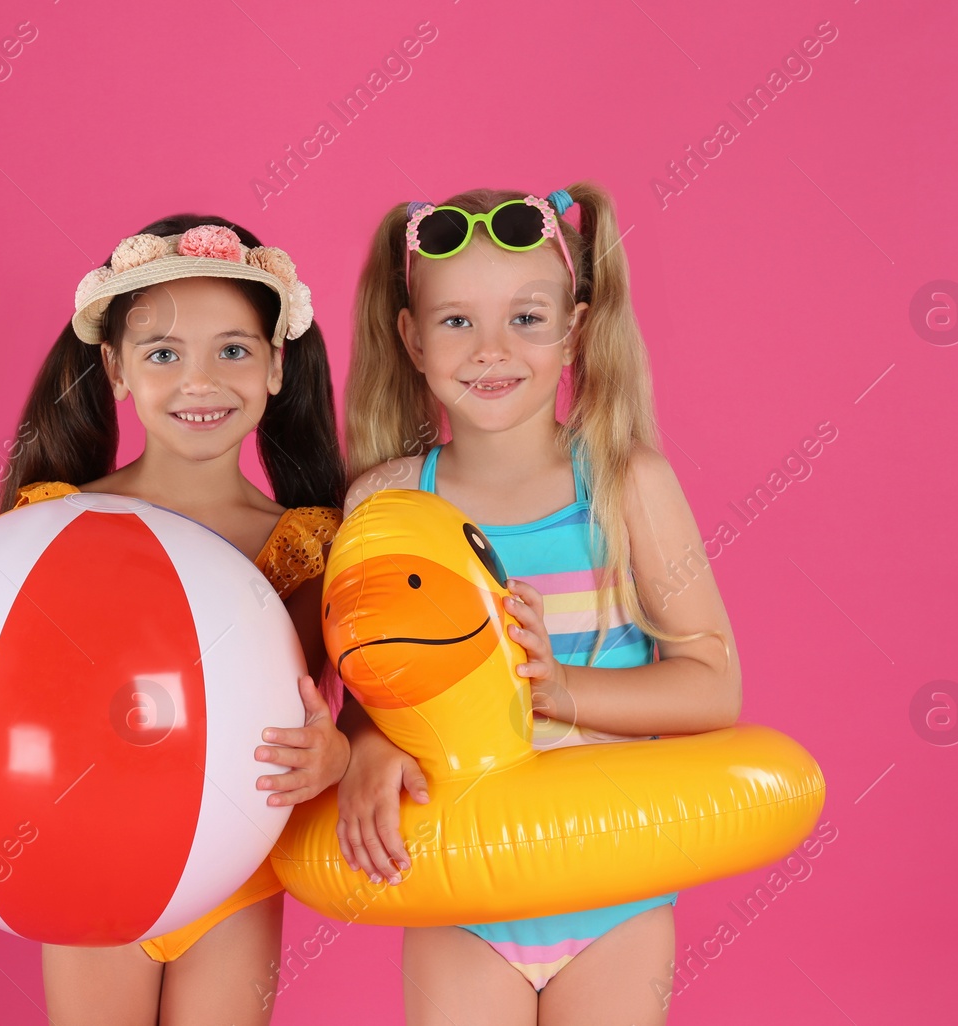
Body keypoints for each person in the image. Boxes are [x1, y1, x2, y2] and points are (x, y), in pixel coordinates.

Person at [0, 213, 351, 1026]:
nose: (201, 381)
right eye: (162, 354)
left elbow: (353, 715)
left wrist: (336, 758)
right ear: (114, 369)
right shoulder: (54, 525)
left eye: (233, 349)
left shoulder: (306, 544)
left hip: (237, 876)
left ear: (277, 365)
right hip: (83, 855)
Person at [335, 183, 742, 1025]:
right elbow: (372, 679)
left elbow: (712, 686)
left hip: (614, 895)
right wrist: (367, 744)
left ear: (576, 331)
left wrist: (568, 692)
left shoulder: (626, 485)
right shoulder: (384, 502)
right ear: (411, 338)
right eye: (456, 322)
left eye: (525, 318)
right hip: (463, 892)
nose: (491, 349)